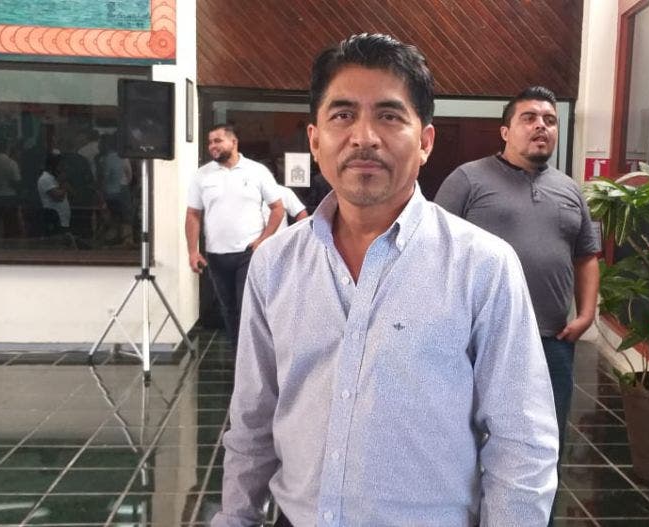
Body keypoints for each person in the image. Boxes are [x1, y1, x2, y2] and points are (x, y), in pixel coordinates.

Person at [214, 34, 558, 527]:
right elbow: (252, 420)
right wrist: (235, 517)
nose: (364, 137)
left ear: (425, 142)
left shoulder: (483, 265)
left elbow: (522, 440)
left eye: (390, 116)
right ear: (315, 140)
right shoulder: (274, 264)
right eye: (342, 115)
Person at [435, 85, 601, 520]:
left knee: (542, 446)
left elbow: (587, 255)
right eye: (529, 118)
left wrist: (586, 313)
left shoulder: (570, 190)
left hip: (551, 342)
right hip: (475, 341)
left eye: (549, 120)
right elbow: (433, 248)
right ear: (505, 131)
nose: (541, 126)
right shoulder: (468, 180)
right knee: (466, 441)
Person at [185, 124, 284, 345]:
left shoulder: (257, 171)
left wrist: (263, 240)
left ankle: (257, 355)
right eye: (210, 142)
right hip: (216, 255)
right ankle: (239, 355)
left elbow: (278, 208)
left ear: (234, 142)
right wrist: (193, 251)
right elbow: (192, 214)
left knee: (248, 307)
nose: (212, 146)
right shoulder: (202, 176)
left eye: (218, 141)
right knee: (228, 308)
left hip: (248, 253)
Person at [37, 153, 71, 236]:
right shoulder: (45, 179)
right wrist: (63, 184)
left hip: (63, 219)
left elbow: (72, 193)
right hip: (54, 219)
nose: (64, 168)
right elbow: (58, 197)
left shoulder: (55, 177)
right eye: (61, 166)